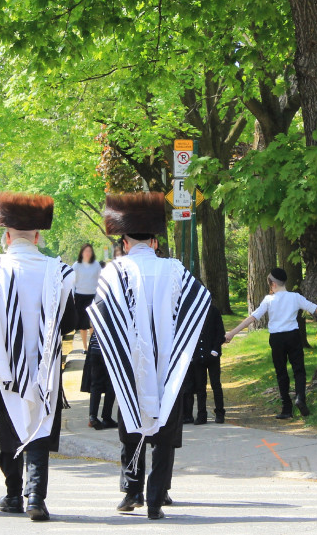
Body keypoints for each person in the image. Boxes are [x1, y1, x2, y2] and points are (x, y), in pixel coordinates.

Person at [87, 192, 211, 520]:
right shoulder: (175, 269)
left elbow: (101, 315)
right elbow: (200, 300)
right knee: (166, 430)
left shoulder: (114, 271)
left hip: (130, 359)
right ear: (155, 241)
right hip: (170, 360)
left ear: (125, 240)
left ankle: (131, 492)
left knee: (130, 421)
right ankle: (157, 496)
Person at [0, 191, 76, 522]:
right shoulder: (59, 271)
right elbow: (70, 322)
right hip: (46, 367)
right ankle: (35, 499)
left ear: (7, 235)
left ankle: (14, 493)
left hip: (5, 368)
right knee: (40, 427)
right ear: (39, 236)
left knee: (10, 428)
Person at [226, 268, 317, 419]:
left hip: (276, 339)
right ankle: (300, 398)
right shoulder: (295, 297)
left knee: (281, 373)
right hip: (293, 336)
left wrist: (232, 333)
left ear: (272, 284)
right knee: (299, 370)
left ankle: (286, 408)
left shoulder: (268, 300)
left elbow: (252, 318)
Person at [183, 304, 226, 425]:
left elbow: (220, 332)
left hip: (212, 355)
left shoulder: (214, 310)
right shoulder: (191, 310)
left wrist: (215, 349)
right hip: (197, 356)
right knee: (200, 387)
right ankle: (202, 415)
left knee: (215, 384)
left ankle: (220, 413)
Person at [80, 332, 117, 429]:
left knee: (96, 384)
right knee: (112, 384)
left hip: (95, 346)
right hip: (111, 347)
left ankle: (92, 417)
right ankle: (106, 417)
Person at [72, 243, 102, 351]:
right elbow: (72, 282)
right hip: (80, 296)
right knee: (82, 323)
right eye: (86, 251)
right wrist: (72, 296)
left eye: (89, 251)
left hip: (93, 296)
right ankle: (85, 347)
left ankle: (92, 345)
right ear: (82, 252)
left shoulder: (96, 265)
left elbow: (100, 280)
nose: (88, 253)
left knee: (93, 322)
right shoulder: (76, 265)